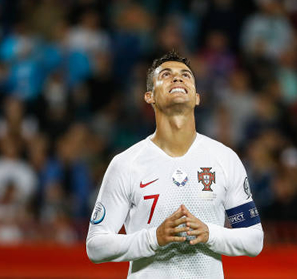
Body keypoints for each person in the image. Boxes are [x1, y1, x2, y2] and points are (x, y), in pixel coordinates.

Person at [86, 51, 264, 278]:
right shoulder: (126, 164)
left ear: (197, 97)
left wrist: (209, 234)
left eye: (186, 75)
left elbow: (254, 239)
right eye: (167, 75)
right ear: (149, 96)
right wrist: (153, 239)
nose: (178, 79)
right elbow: (96, 245)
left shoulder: (224, 159)